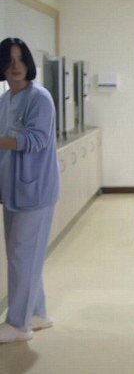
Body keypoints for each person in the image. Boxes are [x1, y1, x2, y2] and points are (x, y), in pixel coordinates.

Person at [0, 38, 60, 343]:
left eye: (21, 59)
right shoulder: (5, 100)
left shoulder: (40, 98)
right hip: (11, 190)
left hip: (35, 191)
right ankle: (36, 313)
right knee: (22, 255)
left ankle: (18, 325)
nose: (16, 66)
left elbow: (36, 140)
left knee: (22, 257)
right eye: (9, 60)